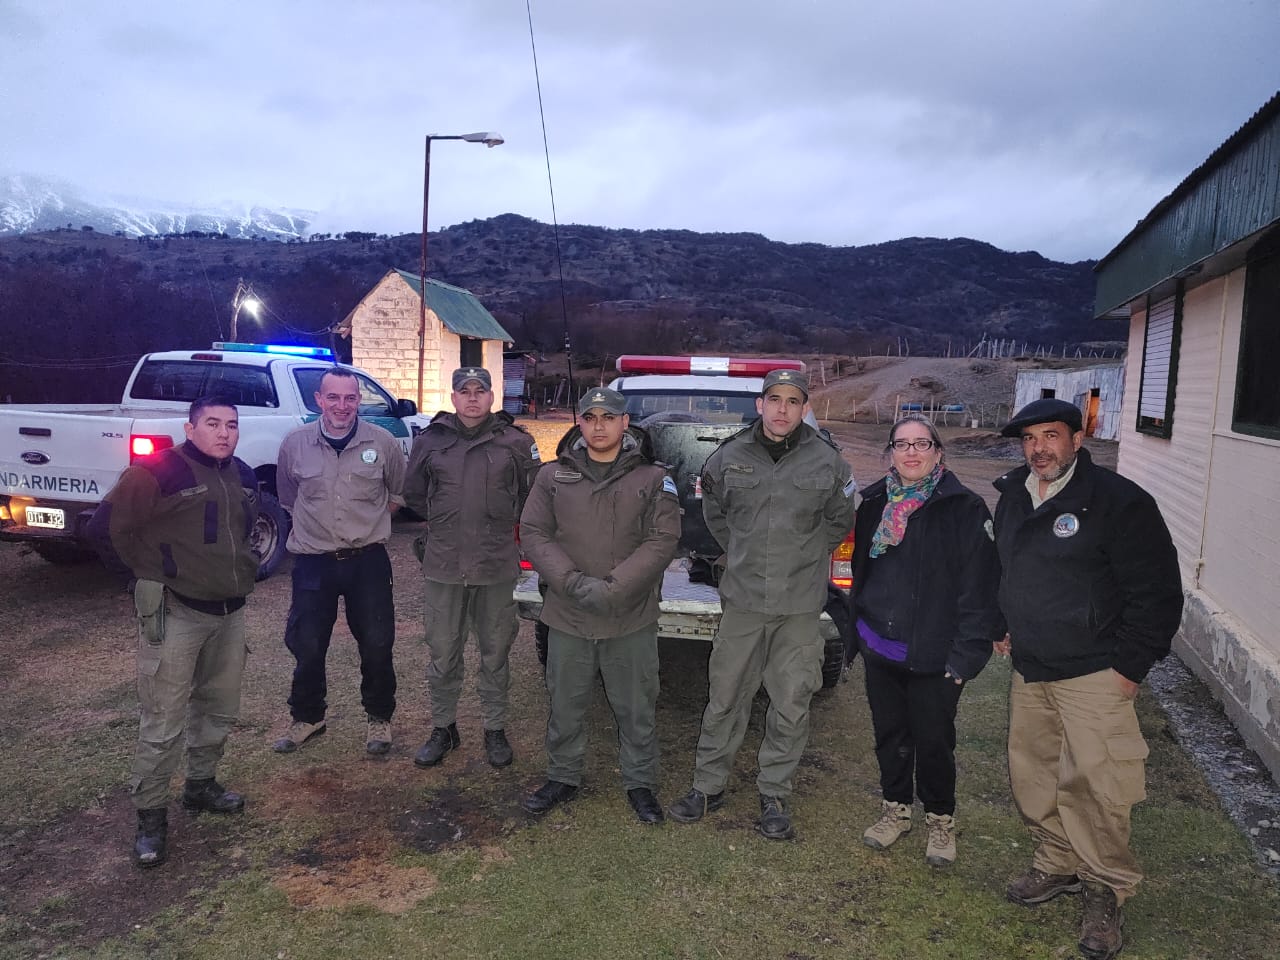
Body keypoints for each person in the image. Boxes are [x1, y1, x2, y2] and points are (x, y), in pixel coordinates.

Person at [993, 398, 1183, 960]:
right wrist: (1003, 625)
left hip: (1096, 671)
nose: (1039, 448)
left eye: (1051, 435)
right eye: (1029, 439)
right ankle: (1057, 864)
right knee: (1037, 774)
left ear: (1078, 438)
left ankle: (1104, 886)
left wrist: (1131, 666)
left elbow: (1157, 591)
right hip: (1032, 668)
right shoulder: (1012, 495)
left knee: (1098, 785)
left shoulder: (1118, 502)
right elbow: (1007, 569)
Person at [668, 369, 856, 840]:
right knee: (726, 696)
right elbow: (715, 512)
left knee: (791, 702)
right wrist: (743, 553)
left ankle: (775, 793)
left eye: (793, 401)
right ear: (760, 404)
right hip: (745, 602)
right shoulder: (729, 456)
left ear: (804, 407)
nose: (782, 410)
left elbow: (840, 519)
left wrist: (804, 555)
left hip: (798, 607)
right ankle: (708, 786)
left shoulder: (828, 461)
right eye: (774, 399)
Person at [87, 397, 261, 868]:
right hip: (177, 613)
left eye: (231, 425)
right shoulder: (159, 470)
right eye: (212, 424)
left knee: (219, 708)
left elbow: (242, 532)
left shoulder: (240, 473)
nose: (224, 433)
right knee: (163, 720)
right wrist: (146, 577)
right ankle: (151, 817)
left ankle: (201, 786)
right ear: (190, 427)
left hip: (229, 613)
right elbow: (103, 529)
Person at [518, 387, 679, 823]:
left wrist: (614, 587)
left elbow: (662, 539)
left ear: (625, 423)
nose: (600, 425)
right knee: (565, 702)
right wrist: (569, 581)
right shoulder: (553, 476)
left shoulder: (652, 478)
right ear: (581, 424)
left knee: (637, 705)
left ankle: (640, 782)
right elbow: (533, 531)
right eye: (590, 418)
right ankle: (563, 775)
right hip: (568, 612)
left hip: (629, 614)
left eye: (609, 417)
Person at [851, 416, 1002, 866]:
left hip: (936, 655)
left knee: (934, 741)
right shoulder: (874, 503)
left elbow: (980, 589)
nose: (912, 453)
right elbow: (862, 570)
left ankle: (940, 819)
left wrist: (965, 658)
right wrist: (858, 631)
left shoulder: (965, 508)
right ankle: (895, 811)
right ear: (891, 453)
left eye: (922, 444)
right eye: (902, 444)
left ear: (938, 452)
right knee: (890, 736)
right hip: (881, 646)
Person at [403, 367, 541, 769]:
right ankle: (444, 727)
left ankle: (494, 728)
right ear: (454, 396)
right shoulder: (431, 441)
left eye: (481, 391)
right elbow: (414, 493)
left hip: (495, 566)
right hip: (444, 566)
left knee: (495, 653)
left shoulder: (516, 442)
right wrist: (447, 524)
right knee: (443, 652)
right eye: (465, 391)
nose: (473, 398)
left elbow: (532, 496)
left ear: (492, 395)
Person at [272, 365, 407, 756]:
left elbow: (396, 494)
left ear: (358, 400)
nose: (342, 405)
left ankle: (379, 717)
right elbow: (287, 495)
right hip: (314, 562)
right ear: (319, 400)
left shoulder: (382, 442)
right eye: (333, 397)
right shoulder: (294, 444)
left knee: (378, 642)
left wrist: (367, 524)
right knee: (308, 643)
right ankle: (308, 716)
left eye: (350, 397)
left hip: (367, 561)